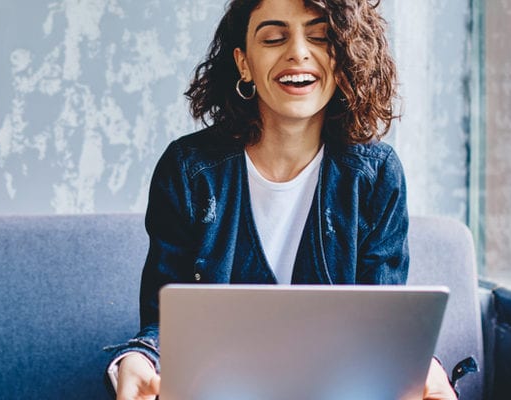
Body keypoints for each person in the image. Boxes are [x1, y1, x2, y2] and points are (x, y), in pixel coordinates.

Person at [104, 0, 458, 399]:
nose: (298, 52)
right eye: (274, 37)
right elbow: (164, 326)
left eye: (321, 36)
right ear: (244, 64)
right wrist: (135, 360)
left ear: (344, 58)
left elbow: (387, 330)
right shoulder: (187, 170)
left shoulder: (377, 176)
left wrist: (419, 367)